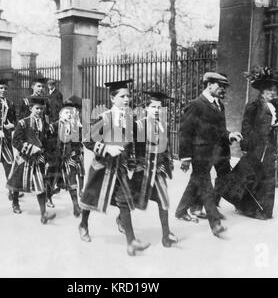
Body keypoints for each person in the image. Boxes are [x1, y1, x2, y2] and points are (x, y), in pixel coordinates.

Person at [79, 79, 151, 256]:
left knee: (124, 202)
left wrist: (134, 162)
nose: (127, 99)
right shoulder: (105, 118)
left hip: (120, 169)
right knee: (90, 199)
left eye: (128, 96)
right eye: (122, 96)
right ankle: (83, 224)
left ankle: (131, 242)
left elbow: (132, 144)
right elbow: (87, 141)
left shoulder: (130, 118)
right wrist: (106, 148)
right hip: (102, 167)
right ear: (113, 99)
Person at [174, 72, 242, 237]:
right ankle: (215, 224)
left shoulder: (219, 105)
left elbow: (219, 131)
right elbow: (185, 132)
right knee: (206, 187)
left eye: (225, 87)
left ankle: (181, 211)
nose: (223, 90)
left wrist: (229, 135)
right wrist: (185, 157)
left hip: (215, 152)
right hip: (200, 154)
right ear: (209, 84)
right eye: (220, 86)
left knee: (196, 181)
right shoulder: (196, 105)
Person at [235, 67, 278, 219]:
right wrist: (245, 147)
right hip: (256, 146)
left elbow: (268, 125)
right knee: (253, 177)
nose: (273, 93)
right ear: (262, 91)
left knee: (267, 178)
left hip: (268, 146)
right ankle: (248, 207)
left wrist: (275, 126)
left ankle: (264, 210)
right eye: (269, 90)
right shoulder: (254, 106)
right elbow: (246, 126)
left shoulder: (273, 106)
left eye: (275, 90)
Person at [130, 91, 178, 247]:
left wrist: (168, 163)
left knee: (164, 201)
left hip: (158, 170)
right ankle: (121, 219)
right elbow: (130, 146)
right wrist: (133, 163)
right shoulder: (138, 125)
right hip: (141, 170)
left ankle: (166, 236)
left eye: (159, 107)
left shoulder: (164, 125)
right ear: (146, 108)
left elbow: (167, 148)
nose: (156, 110)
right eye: (153, 107)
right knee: (131, 200)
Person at [6, 96, 56, 223]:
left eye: (41, 109)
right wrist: (29, 148)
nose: (39, 111)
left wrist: (47, 154)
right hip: (24, 158)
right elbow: (15, 141)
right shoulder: (23, 123)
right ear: (30, 108)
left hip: (38, 159)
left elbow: (46, 141)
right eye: (37, 108)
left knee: (40, 186)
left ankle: (43, 213)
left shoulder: (44, 124)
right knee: (18, 183)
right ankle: (15, 202)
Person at [53, 95, 84, 217]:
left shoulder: (78, 125)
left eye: (76, 110)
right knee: (53, 182)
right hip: (57, 157)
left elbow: (81, 139)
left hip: (71, 155)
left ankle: (76, 205)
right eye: (68, 110)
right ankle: (46, 198)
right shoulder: (56, 125)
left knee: (72, 179)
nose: (72, 113)